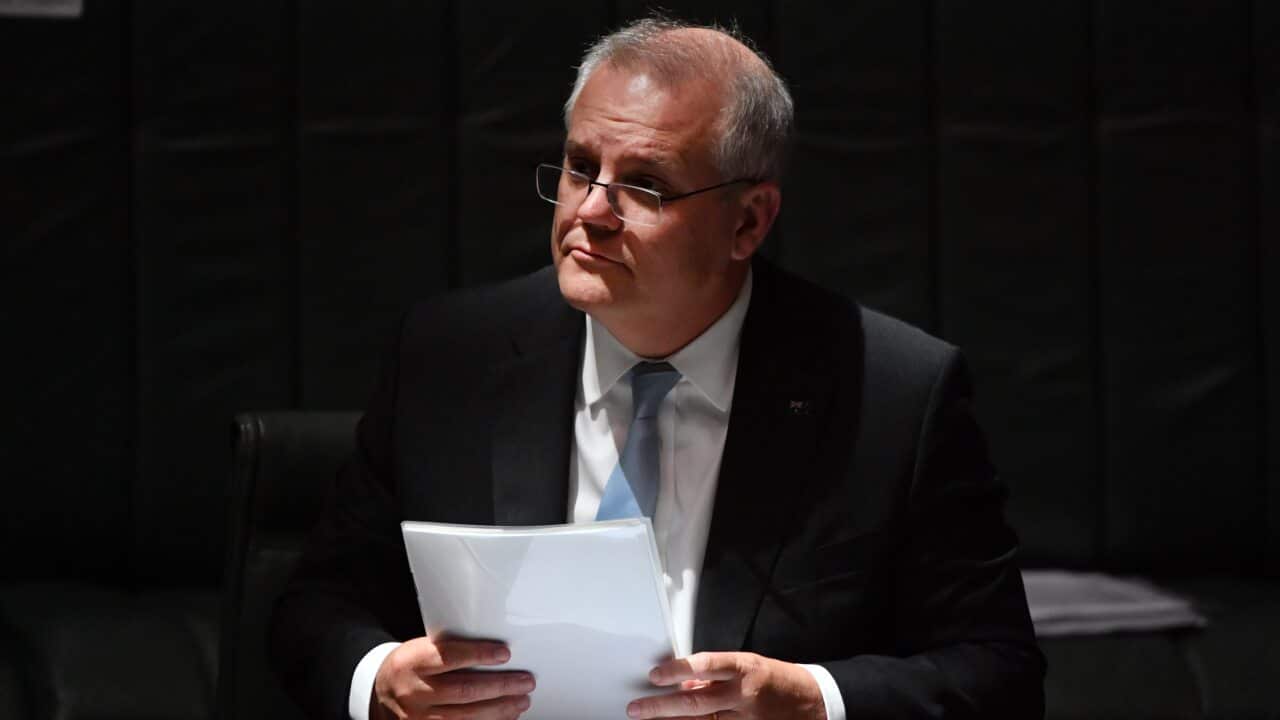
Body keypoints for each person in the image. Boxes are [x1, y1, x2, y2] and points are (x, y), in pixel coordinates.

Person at [270, 17, 1045, 720]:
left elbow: (1000, 673)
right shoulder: (449, 354)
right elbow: (314, 605)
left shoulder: (895, 392)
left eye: (643, 185)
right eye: (579, 167)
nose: (590, 212)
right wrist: (378, 679)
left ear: (747, 221)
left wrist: (813, 702)